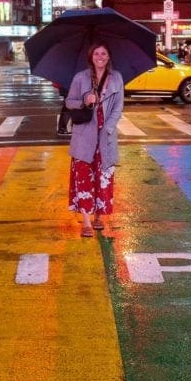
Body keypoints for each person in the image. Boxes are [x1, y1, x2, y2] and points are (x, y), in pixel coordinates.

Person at [65, 43, 124, 237]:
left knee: (103, 177)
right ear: (91, 57)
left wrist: (107, 128)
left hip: (105, 137)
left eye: (104, 53)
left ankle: (99, 216)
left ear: (109, 56)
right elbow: (69, 102)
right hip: (84, 136)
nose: (100, 57)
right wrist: (85, 100)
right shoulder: (80, 77)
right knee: (83, 177)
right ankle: (87, 222)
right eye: (96, 53)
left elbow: (118, 107)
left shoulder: (116, 78)